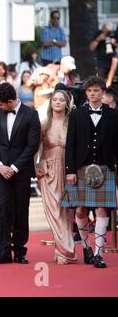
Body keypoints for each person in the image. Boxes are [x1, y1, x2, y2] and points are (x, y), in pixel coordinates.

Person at [61, 76, 118, 269]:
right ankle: (86, 247)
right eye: (90, 91)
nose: (93, 94)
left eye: (96, 90)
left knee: (102, 209)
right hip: (80, 168)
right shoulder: (76, 115)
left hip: (105, 167)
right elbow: (70, 145)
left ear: (103, 92)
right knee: (80, 210)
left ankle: (99, 253)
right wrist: (70, 170)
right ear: (86, 93)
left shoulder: (113, 115)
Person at [0, 82, 40, 264]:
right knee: (1, 209)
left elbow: (32, 145)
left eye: (0, 104)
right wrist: (0, 166)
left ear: (10, 101)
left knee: (20, 210)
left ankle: (19, 250)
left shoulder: (31, 115)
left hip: (21, 171)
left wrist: (15, 167)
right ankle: (3, 251)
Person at [37, 90, 77, 264]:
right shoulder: (44, 124)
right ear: (51, 103)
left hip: (68, 171)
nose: (58, 102)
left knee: (67, 211)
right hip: (49, 171)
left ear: (67, 104)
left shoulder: (73, 124)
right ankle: (65, 250)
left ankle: (63, 250)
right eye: (55, 99)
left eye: (62, 100)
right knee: (54, 212)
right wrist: (36, 166)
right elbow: (35, 149)